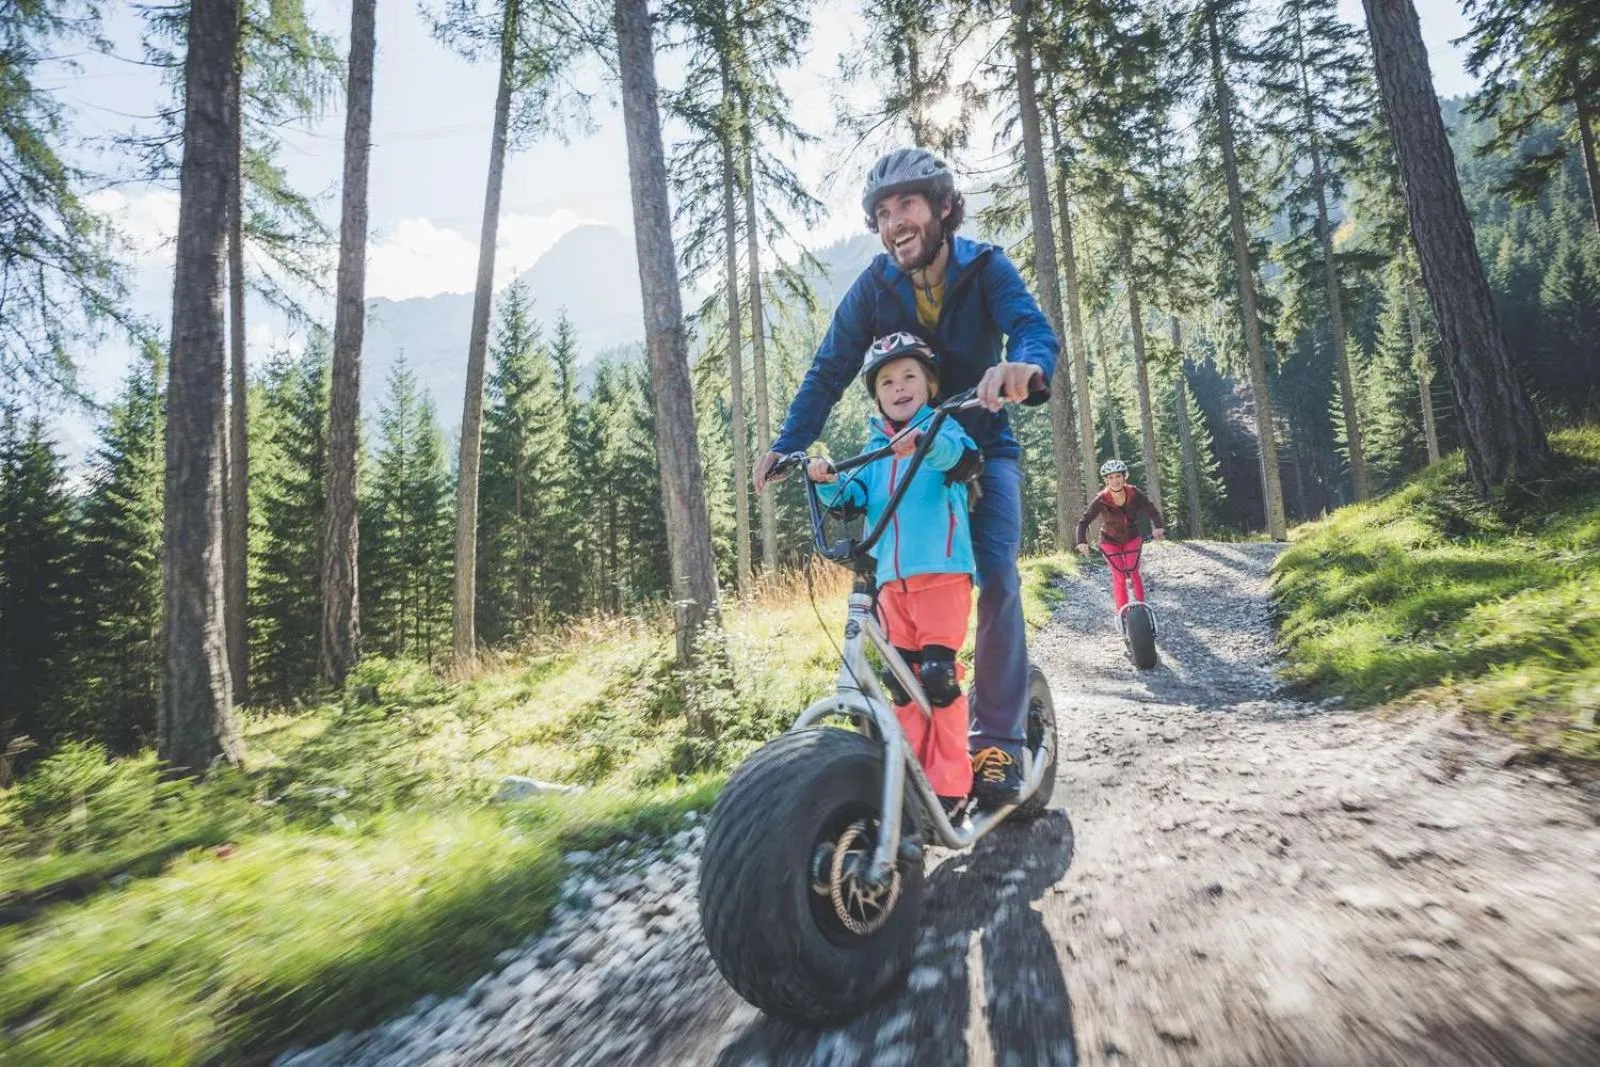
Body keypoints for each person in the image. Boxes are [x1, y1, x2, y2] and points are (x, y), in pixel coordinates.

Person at [755, 147, 1058, 810]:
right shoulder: (875, 286)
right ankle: (889, 741)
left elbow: (1031, 328)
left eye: (907, 206)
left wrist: (1024, 368)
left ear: (945, 208)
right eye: (883, 213)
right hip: (903, 469)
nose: (894, 222)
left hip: (981, 448)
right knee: (878, 584)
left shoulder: (985, 267)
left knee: (998, 574)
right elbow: (829, 369)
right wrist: (787, 446)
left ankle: (997, 739)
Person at [810, 333, 979, 812]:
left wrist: (923, 441)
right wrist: (824, 482)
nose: (899, 387)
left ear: (928, 385)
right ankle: (910, 780)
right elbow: (850, 499)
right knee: (901, 684)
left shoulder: (942, 429)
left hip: (942, 576)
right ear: (877, 394)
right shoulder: (874, 448)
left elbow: (963, 459)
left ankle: (950, 785)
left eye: (909, 377)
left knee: (939, 679)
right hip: (891, 585)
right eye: (887, 381)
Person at [1074, 459, 1166, 614]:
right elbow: (1084, 521)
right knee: (1119, 576)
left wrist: (1159, 527)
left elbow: (1152, 510)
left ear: (1124, 477)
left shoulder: (1134, 493)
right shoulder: (1101, 499)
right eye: (1110, 477)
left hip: (1132, 538)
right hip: (1109, 541)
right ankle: (1123, 615)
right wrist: (1081, 541)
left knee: (1134, 571)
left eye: (1118, 476)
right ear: (1106, 480)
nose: (1115, 481)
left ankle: (1142, 610)